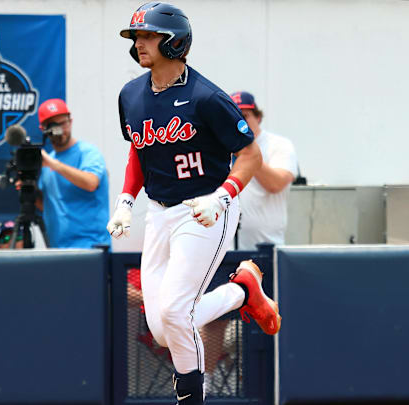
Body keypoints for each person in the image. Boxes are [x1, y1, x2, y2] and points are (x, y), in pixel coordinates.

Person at [107, 3, 281, 404]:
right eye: (137, 37)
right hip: (160, 211)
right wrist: (125, 202)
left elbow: (250, 155)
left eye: (149, 35)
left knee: (174, 314)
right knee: (164, 328)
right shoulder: (130, 94)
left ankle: (190, 398)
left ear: (175, 41)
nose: (140, 43)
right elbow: (139, 150)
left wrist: (222, 197)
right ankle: (241, 291)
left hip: (205, 209)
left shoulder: (206, 97)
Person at [36, 98, 111, 248]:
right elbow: (47, 204)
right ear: (42, 128)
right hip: (57, 251)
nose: (59, 130)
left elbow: (91, 183)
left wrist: (54, 165)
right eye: (52, 125)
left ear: (70, 121)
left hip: (91, 248)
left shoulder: (88, 152)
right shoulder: (47, 161)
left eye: (62, 123)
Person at [230, 91, 298, 249]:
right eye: (234, 117)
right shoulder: (222, 148)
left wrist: (248, 153)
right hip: (225, 247)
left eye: (245, 116)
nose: (239, 122)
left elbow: (276, 183)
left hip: (265, 245)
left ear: (258, 118)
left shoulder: (279, 145)